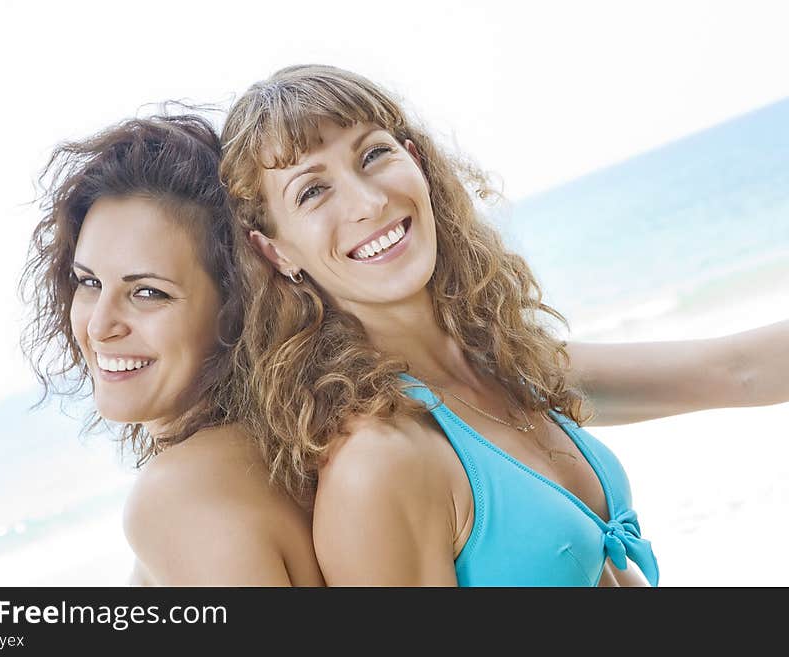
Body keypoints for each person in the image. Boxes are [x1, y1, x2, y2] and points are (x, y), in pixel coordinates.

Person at [218, 64, 789, 586]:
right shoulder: (380, 462)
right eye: (313, 191)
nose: (368, 201)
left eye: (373, 155)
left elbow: (735, 372)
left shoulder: (512, 366)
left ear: (414, 160)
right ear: (274, 252)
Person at [19, 108, 324, 586]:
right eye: (89, 282)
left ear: (237, 305)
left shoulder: (178, 497)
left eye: (148, 293)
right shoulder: (285, 448)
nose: (100, 326)